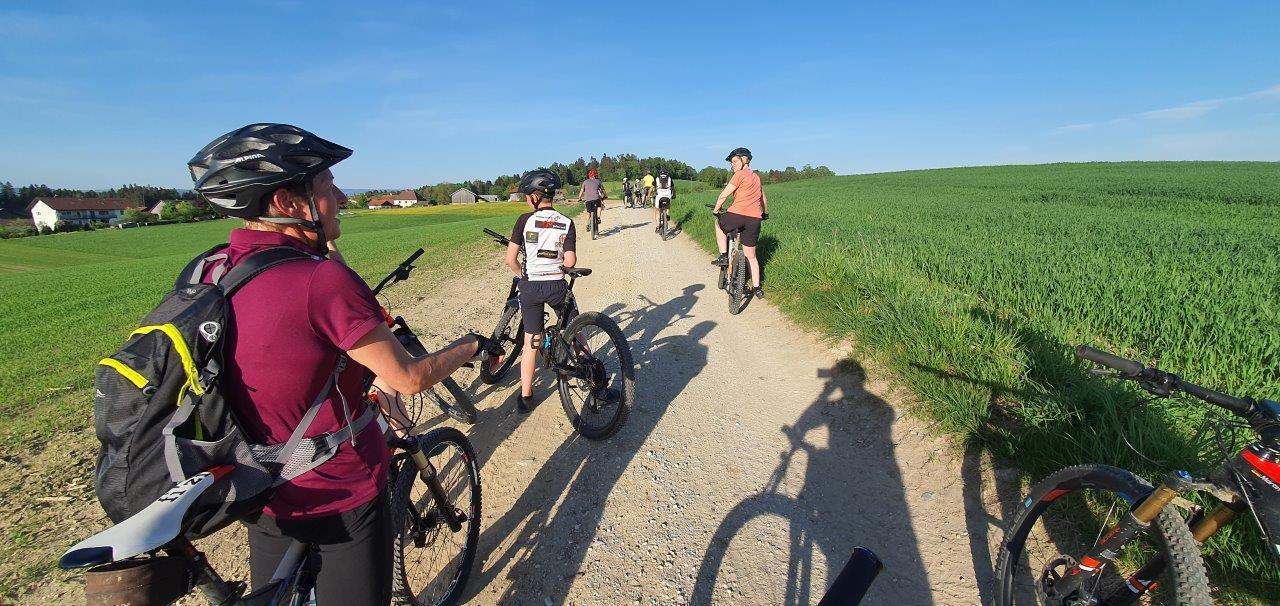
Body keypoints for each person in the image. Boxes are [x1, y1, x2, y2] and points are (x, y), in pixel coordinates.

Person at [187, 123, 494, 606]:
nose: (343, 197)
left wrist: (323, 246)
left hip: (256, 488)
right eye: (329, 186)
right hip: (338, 491)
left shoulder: (210, 270)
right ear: (288, 203)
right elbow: (407, 378)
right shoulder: (321, 282)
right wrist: (470, 346)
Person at [505, 169, 581, 413]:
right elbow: (570, 261)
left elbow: (510, 260)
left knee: (531, 341)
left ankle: (526, 396)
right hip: (557, 285)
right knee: (576, 330)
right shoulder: (567, 222)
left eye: (527, 196)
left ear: (535, 198)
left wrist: (524, 276)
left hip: (531, 287)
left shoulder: (524, 220)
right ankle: (589, 372)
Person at [710, 147, 768, 298]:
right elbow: (763, 199)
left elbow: (724, 195)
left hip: (737, 215)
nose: (732, 165)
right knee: (751, 256)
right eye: (731, 162)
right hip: (754, 220)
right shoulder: (756, 177)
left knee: (718, 224)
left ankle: (723, 256)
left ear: (745, 160)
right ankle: (757, 288)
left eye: (735, 161)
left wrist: (716, 210)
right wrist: (764, 213)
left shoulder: (739, 175)